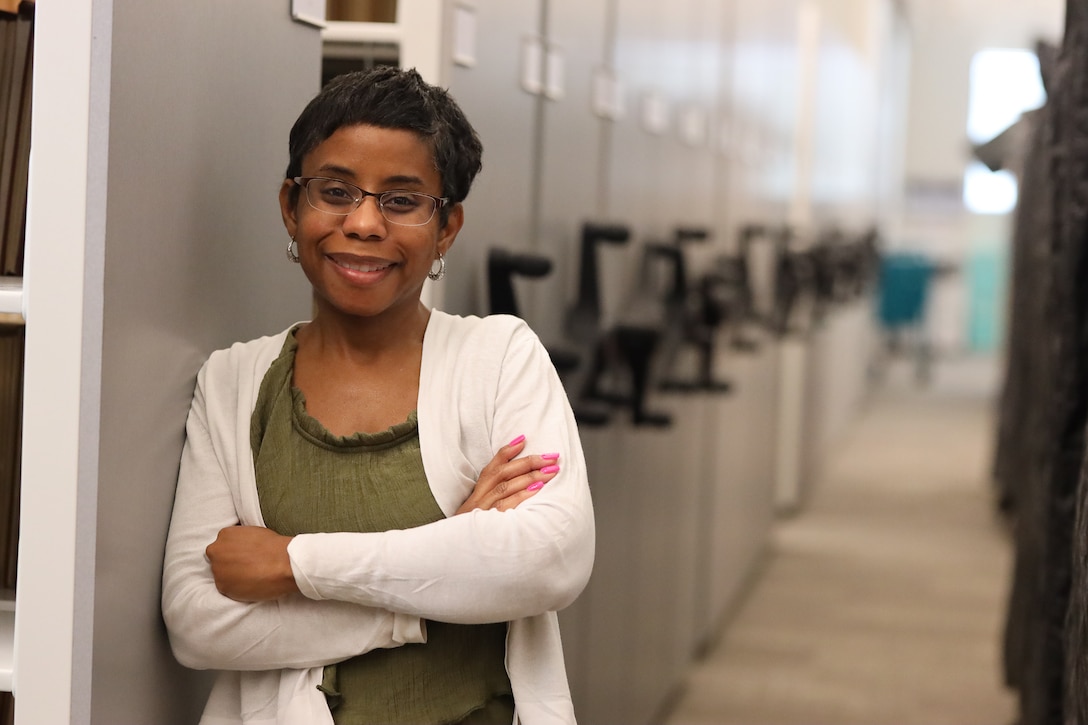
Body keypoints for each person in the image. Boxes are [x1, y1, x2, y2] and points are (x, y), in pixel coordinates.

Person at [161, 66, 595, 725]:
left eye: (401, 199)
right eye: (335, 190)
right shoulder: (235, 383)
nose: (363, 222)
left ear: (446, 225)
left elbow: (551, 559)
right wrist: (439, 574)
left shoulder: (500, 356)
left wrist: (292, 562)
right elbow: (197, 622)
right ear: (291, 205)